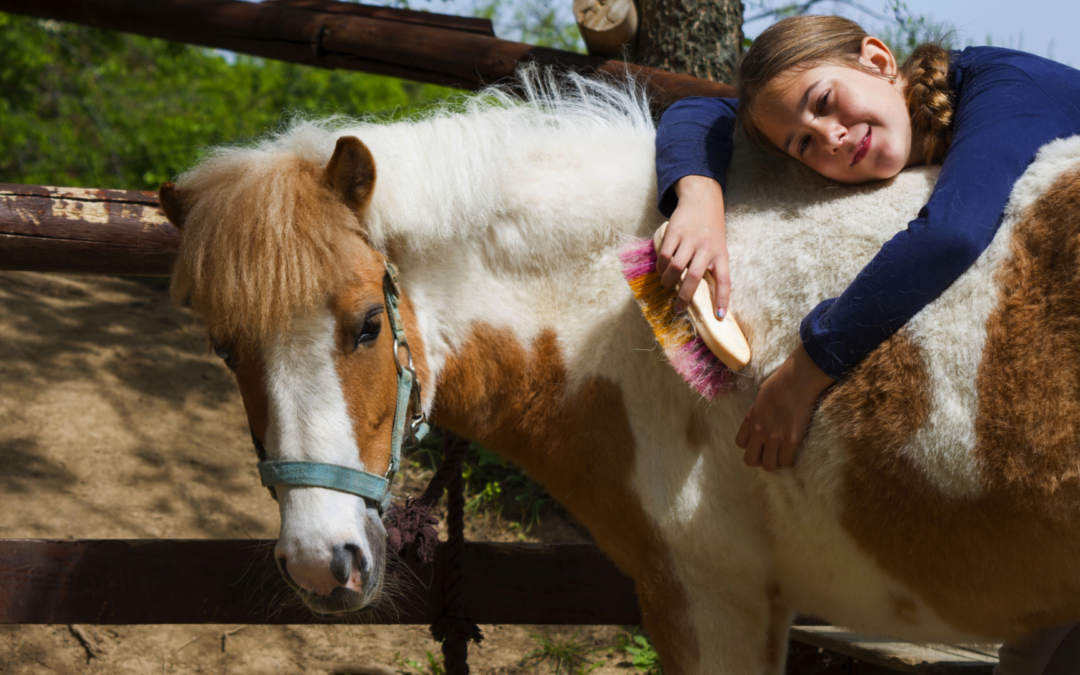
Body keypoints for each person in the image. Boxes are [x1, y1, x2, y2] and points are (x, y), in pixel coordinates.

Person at [654, 15, 1080, 475]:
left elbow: (951, 236)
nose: (830, 137)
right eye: (803, 144)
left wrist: (802, 375)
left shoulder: (1002, 90)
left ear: (877, 60)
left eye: (824, 101)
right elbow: (699, 110)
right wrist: (698, 199)